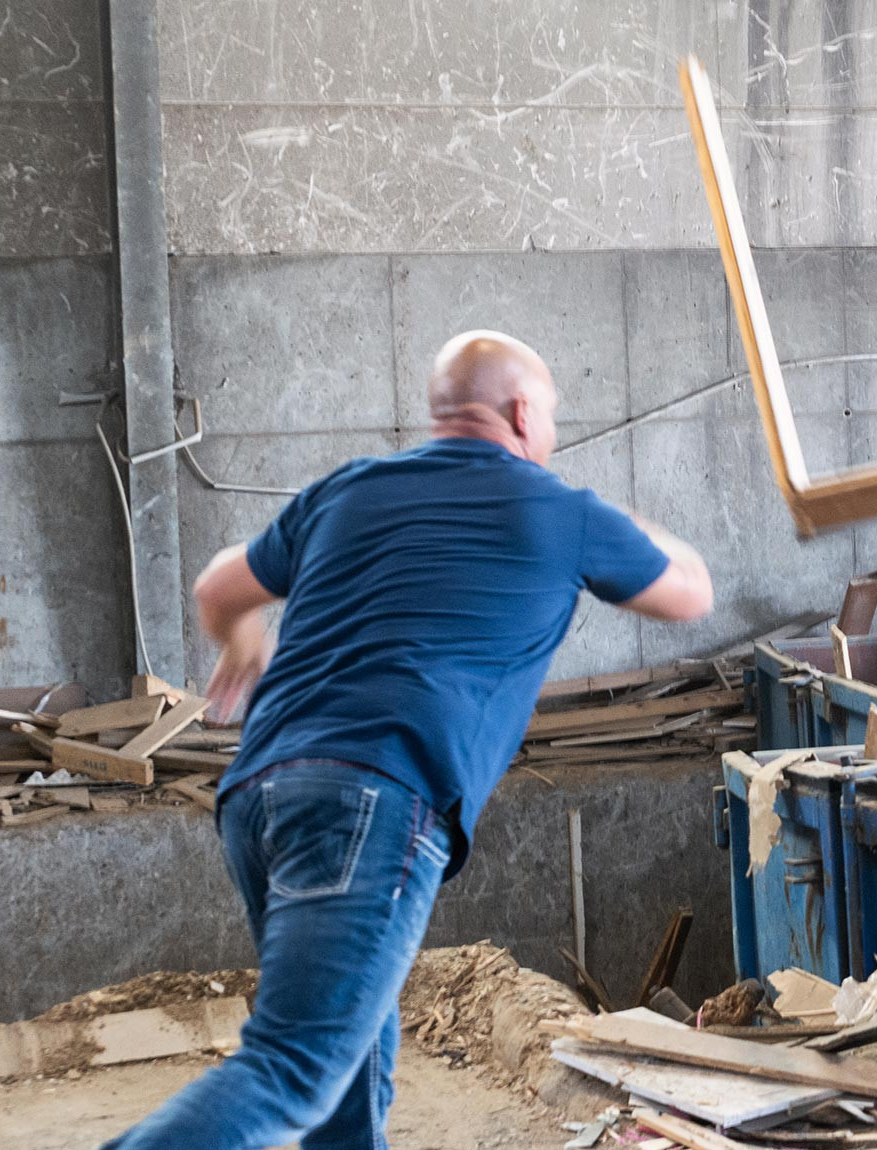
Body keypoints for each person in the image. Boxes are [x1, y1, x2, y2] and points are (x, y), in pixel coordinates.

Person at [105, 331, 713, 1149]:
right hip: (373, 802)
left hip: (258, 794)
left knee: (353, 1054)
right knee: (295, 1067)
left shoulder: (350, 490)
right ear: (524, 411)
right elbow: (690, 594)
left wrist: (244, 640)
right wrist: (611, 520)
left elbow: (218, 588)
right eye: (553, 416)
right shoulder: (562, 512)